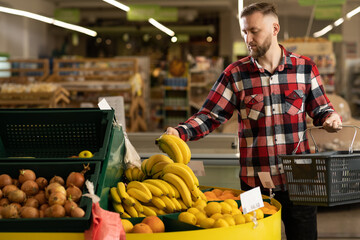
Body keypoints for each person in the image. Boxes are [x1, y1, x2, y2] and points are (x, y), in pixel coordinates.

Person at [164, 2, 342, 240]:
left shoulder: (304, 68)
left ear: (275, 28)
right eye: (244, 32)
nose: (248, 38)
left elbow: (322, 109)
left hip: (300, 181)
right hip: (254, 184)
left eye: (254, 31)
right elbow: (210, 115)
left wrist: (331, 117)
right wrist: (180, 132)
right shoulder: (235, 74)